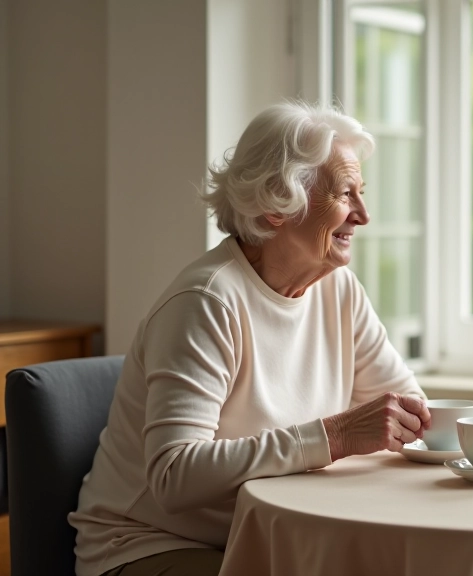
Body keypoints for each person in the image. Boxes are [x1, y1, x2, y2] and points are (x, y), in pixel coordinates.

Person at [69, 102, 432, 576]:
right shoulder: (206, 301)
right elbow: (174, 476)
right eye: (345, 194)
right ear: (276, 204)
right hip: (151, 544)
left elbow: (405, 408)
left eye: (361, 193)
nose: (362, 215)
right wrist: (337, 436)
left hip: (270, 534)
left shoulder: (338, 290)